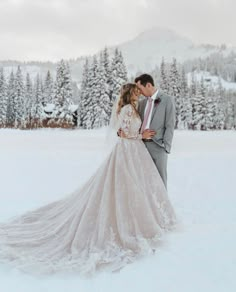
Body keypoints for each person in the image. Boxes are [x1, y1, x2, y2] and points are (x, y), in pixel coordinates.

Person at [0, 83, 177, 276]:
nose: (139, 94)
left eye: (139, 91)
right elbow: (123, 133)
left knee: (135, 187)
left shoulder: (133, 108)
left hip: (134, 153)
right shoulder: (127, 109)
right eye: (136, 92)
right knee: (125, 186)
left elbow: (123, 131)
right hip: (127, 152)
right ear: (129, 95)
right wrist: (140, 135)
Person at [120, 74, 175, 189]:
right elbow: (132, 124)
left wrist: (166, 146)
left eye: (140, 89)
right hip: (141, 147)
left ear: (148, 85)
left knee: (160, 180)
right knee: (143, 180)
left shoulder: (167, 100)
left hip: (159, 147)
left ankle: (162, 206)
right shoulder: (142, 103)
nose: (139, 92)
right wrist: (122, 132)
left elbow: (170, 125)